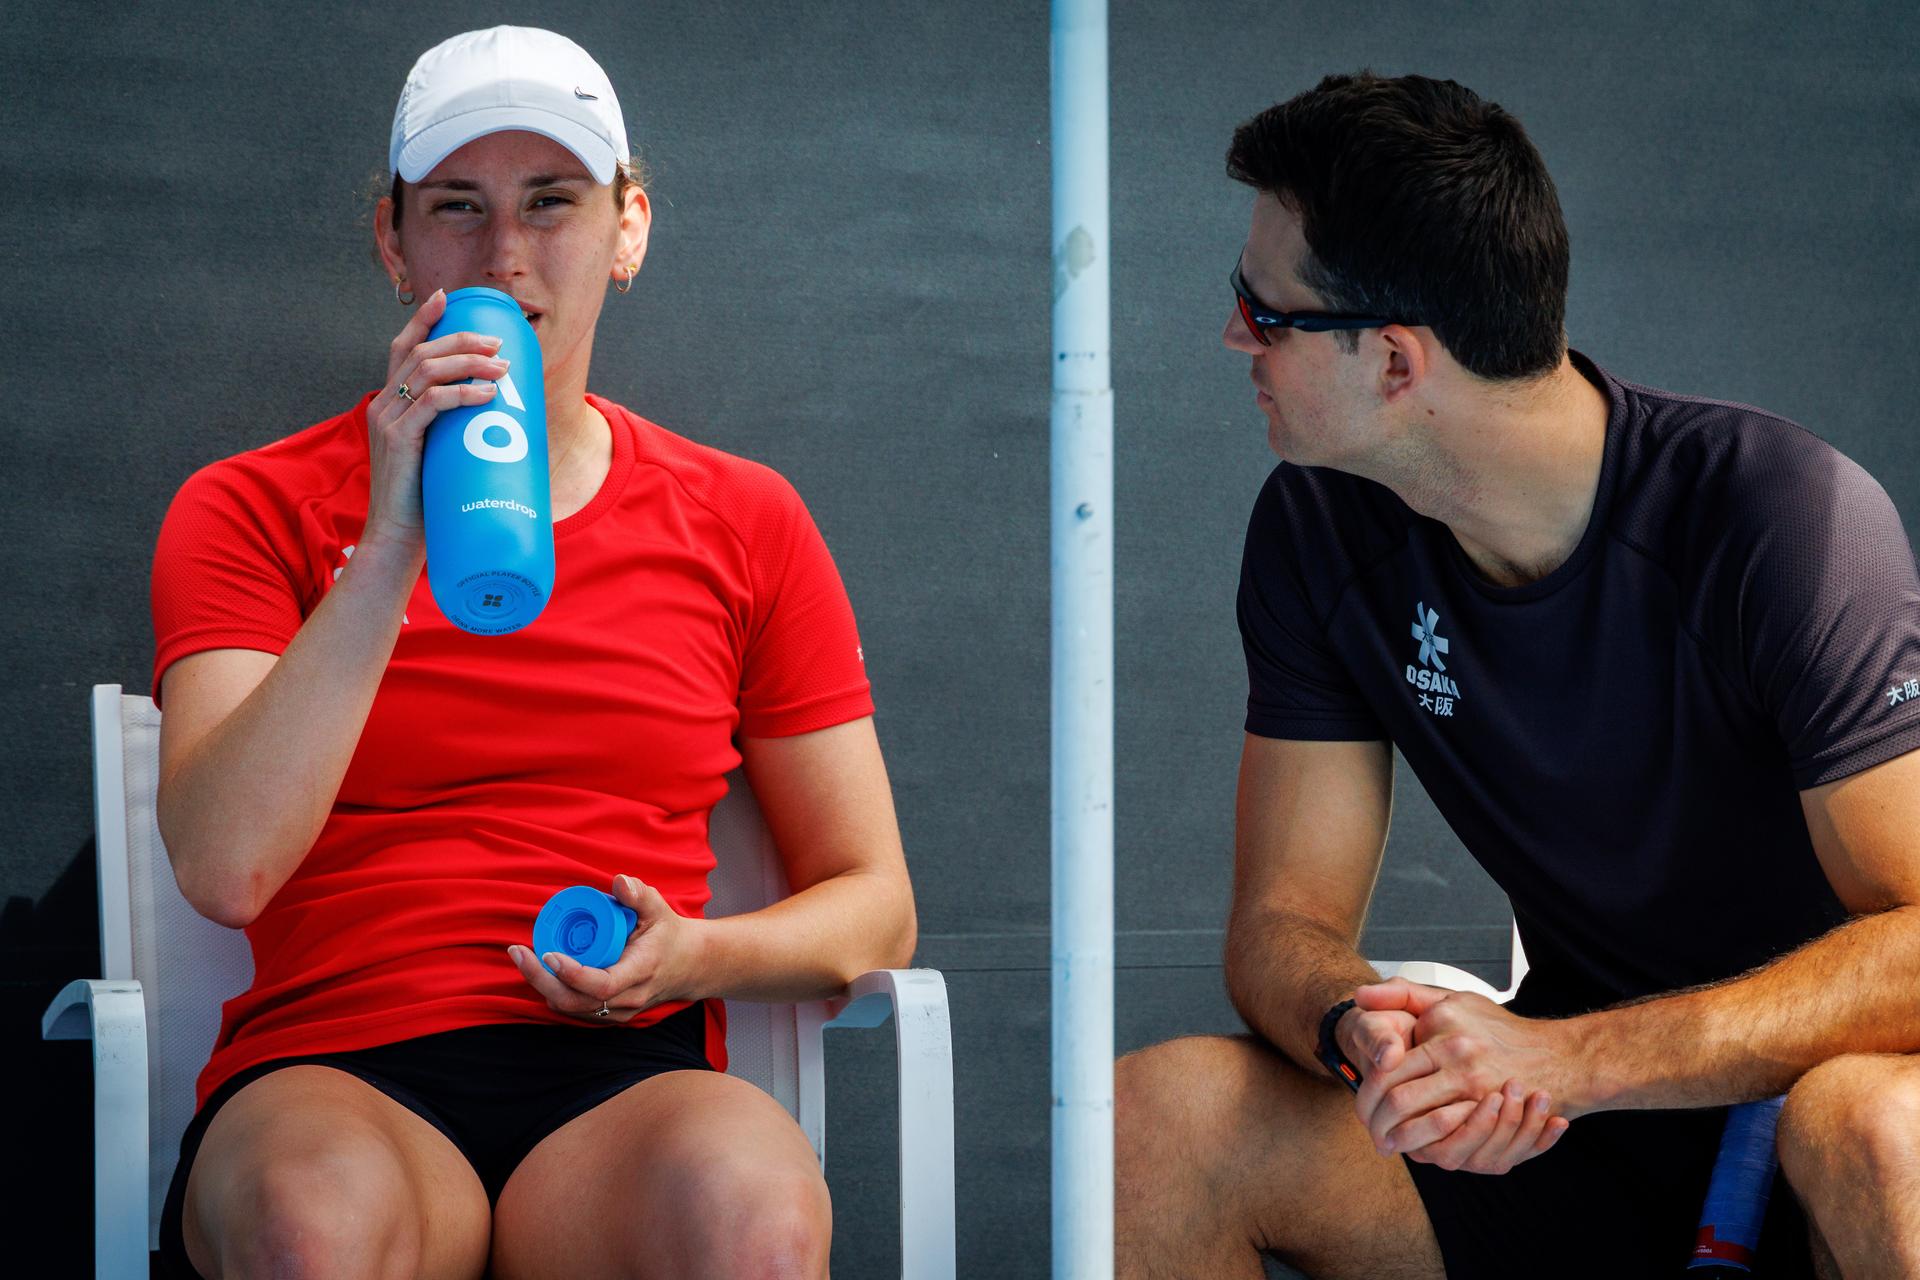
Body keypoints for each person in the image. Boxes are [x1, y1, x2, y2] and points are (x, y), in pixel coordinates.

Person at [1114, 72, 1920, 1280]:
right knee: (1160, 1124)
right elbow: (1283, 921)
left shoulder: (1783, 517)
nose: (1236, 333)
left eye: (1262, 308)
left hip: (1819, 1124)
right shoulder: (1318, 528)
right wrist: (1359, 1026)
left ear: (1394, 361)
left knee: (1865, 1121)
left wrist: (1574, 1059)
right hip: (1584, 1132)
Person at [148, 26, 915, 1280]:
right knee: (307, 1223)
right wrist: (396, 532)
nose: (506, 256)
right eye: (458, 207)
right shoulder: (248, 507)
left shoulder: (745, 518)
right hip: (341, 1063)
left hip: (624, 1071)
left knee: (758, 1224)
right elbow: (226, 867)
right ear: (395, 244)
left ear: (629, 231)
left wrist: (699, 954)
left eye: (551, 203)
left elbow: (876, 902)